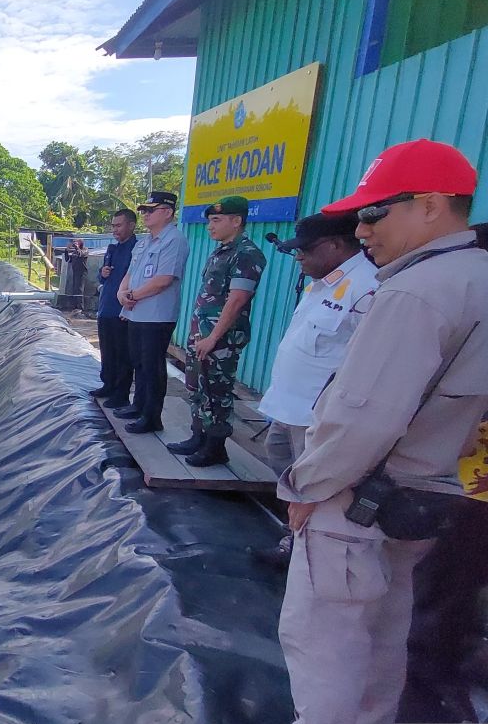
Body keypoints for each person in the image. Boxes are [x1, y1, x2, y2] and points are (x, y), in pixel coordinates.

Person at [226, 139, 488, 724]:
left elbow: (364, 416)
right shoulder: (474, 277)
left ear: (429, 207)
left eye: (375, 214)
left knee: (327, 641)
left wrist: (304, 487)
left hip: (363, 494)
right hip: (427, 494)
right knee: (391, 632)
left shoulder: (414, 292)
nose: (362, 229)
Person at [253, 213, 378, 568]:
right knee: (281, 462)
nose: (298, 257)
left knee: (312, 485)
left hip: (316, 414)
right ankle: (293, 533)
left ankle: (304, 553)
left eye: (305, 250)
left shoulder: (367, 288)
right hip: (289, 404)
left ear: (336, 246)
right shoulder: (323, 282)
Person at [167, 195, 266, 466]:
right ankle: (198, 436)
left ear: (237, 221)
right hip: (203, 333)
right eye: (210, 221)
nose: (210, 226)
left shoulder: (246, 253)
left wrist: (213, 337)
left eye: (216, 220)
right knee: (197, 387)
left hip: (221, 338)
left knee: (216, 392)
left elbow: (237, 300)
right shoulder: (221, 250)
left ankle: (215, 447)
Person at [114, 191, 190, 434]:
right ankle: (138, 406)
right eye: (144, 210)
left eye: (150, 210)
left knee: (152, 366)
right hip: (136, 312)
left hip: (157, 315)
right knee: (138, 361)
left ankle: (151, 416)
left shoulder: (174, 240)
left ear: (167, 212)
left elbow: (163, 280)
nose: (145, 214)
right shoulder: (146, 241)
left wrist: (131, 296)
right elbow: (131, 272)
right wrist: (121, 292)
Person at [90, 209, 138, 407]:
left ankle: (120, 393)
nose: (115, 229)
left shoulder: (137, 250)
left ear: (131, 225)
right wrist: (103, 273)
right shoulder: (112, 249)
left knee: (122, 353)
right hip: (106, 307)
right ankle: (107, 384)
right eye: (113, 226)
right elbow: (101, 278)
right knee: (107, 350)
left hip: (122, 310)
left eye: (119, 225)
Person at [63, 238, 87, 308]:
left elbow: (80, 254)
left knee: (79, 290)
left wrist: (77, 248)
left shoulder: (85, 250)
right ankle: (74, 306)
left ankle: (80, 307)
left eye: (77, 242)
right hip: (75, 271)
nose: (75, 244)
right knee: (74, 289)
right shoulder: (74, 252)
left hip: (82, 272)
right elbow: (67, 259)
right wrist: (66, 251)